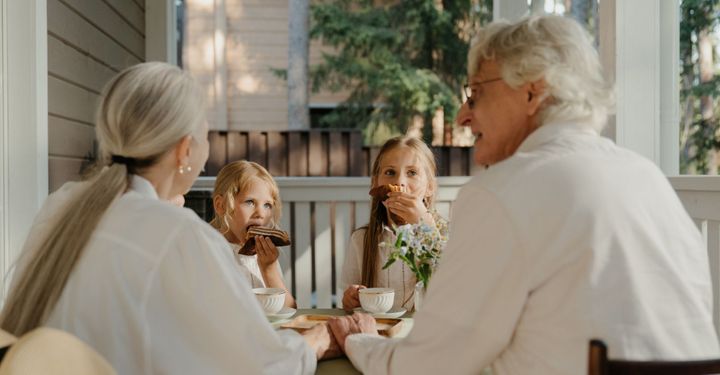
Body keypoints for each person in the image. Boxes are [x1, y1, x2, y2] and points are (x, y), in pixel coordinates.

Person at [327, 15, 720, 374]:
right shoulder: (648, 179)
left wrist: (359, 339)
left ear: (532, 92)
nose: (464, 115)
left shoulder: (500, 192)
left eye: (476, 92)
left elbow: (425, 367)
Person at [0, 62, 338, 374]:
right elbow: (257, 367)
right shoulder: (180, 235)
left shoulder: (61, 205)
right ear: (183, 151)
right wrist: (318, 341)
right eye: (206, 136)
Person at [340, 136, 448, 312]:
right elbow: (348, 298)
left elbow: (456, 289)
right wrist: (350, 299)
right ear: (376, 183)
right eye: (390, 172)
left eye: (412, 173)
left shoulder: (448, 236)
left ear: (430, 187)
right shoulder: (361, 240)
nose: (399, 182)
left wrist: (425, 226)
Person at [210, 160, 296, 308]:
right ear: (221, 205)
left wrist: (269, 269)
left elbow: (289, 310)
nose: (261, 213)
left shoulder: (264, 255)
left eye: (267, 205)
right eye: (250, 202)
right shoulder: (209, 250)